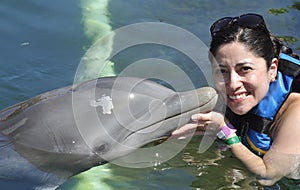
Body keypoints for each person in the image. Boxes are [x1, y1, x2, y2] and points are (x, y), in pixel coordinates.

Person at [172, 13, 300, 186]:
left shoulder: (296, 112)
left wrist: (225, 132)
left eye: (245, 69)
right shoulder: (231, 93)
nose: (232, 84)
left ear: (272, 69)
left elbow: (268, 176)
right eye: (222, 70)